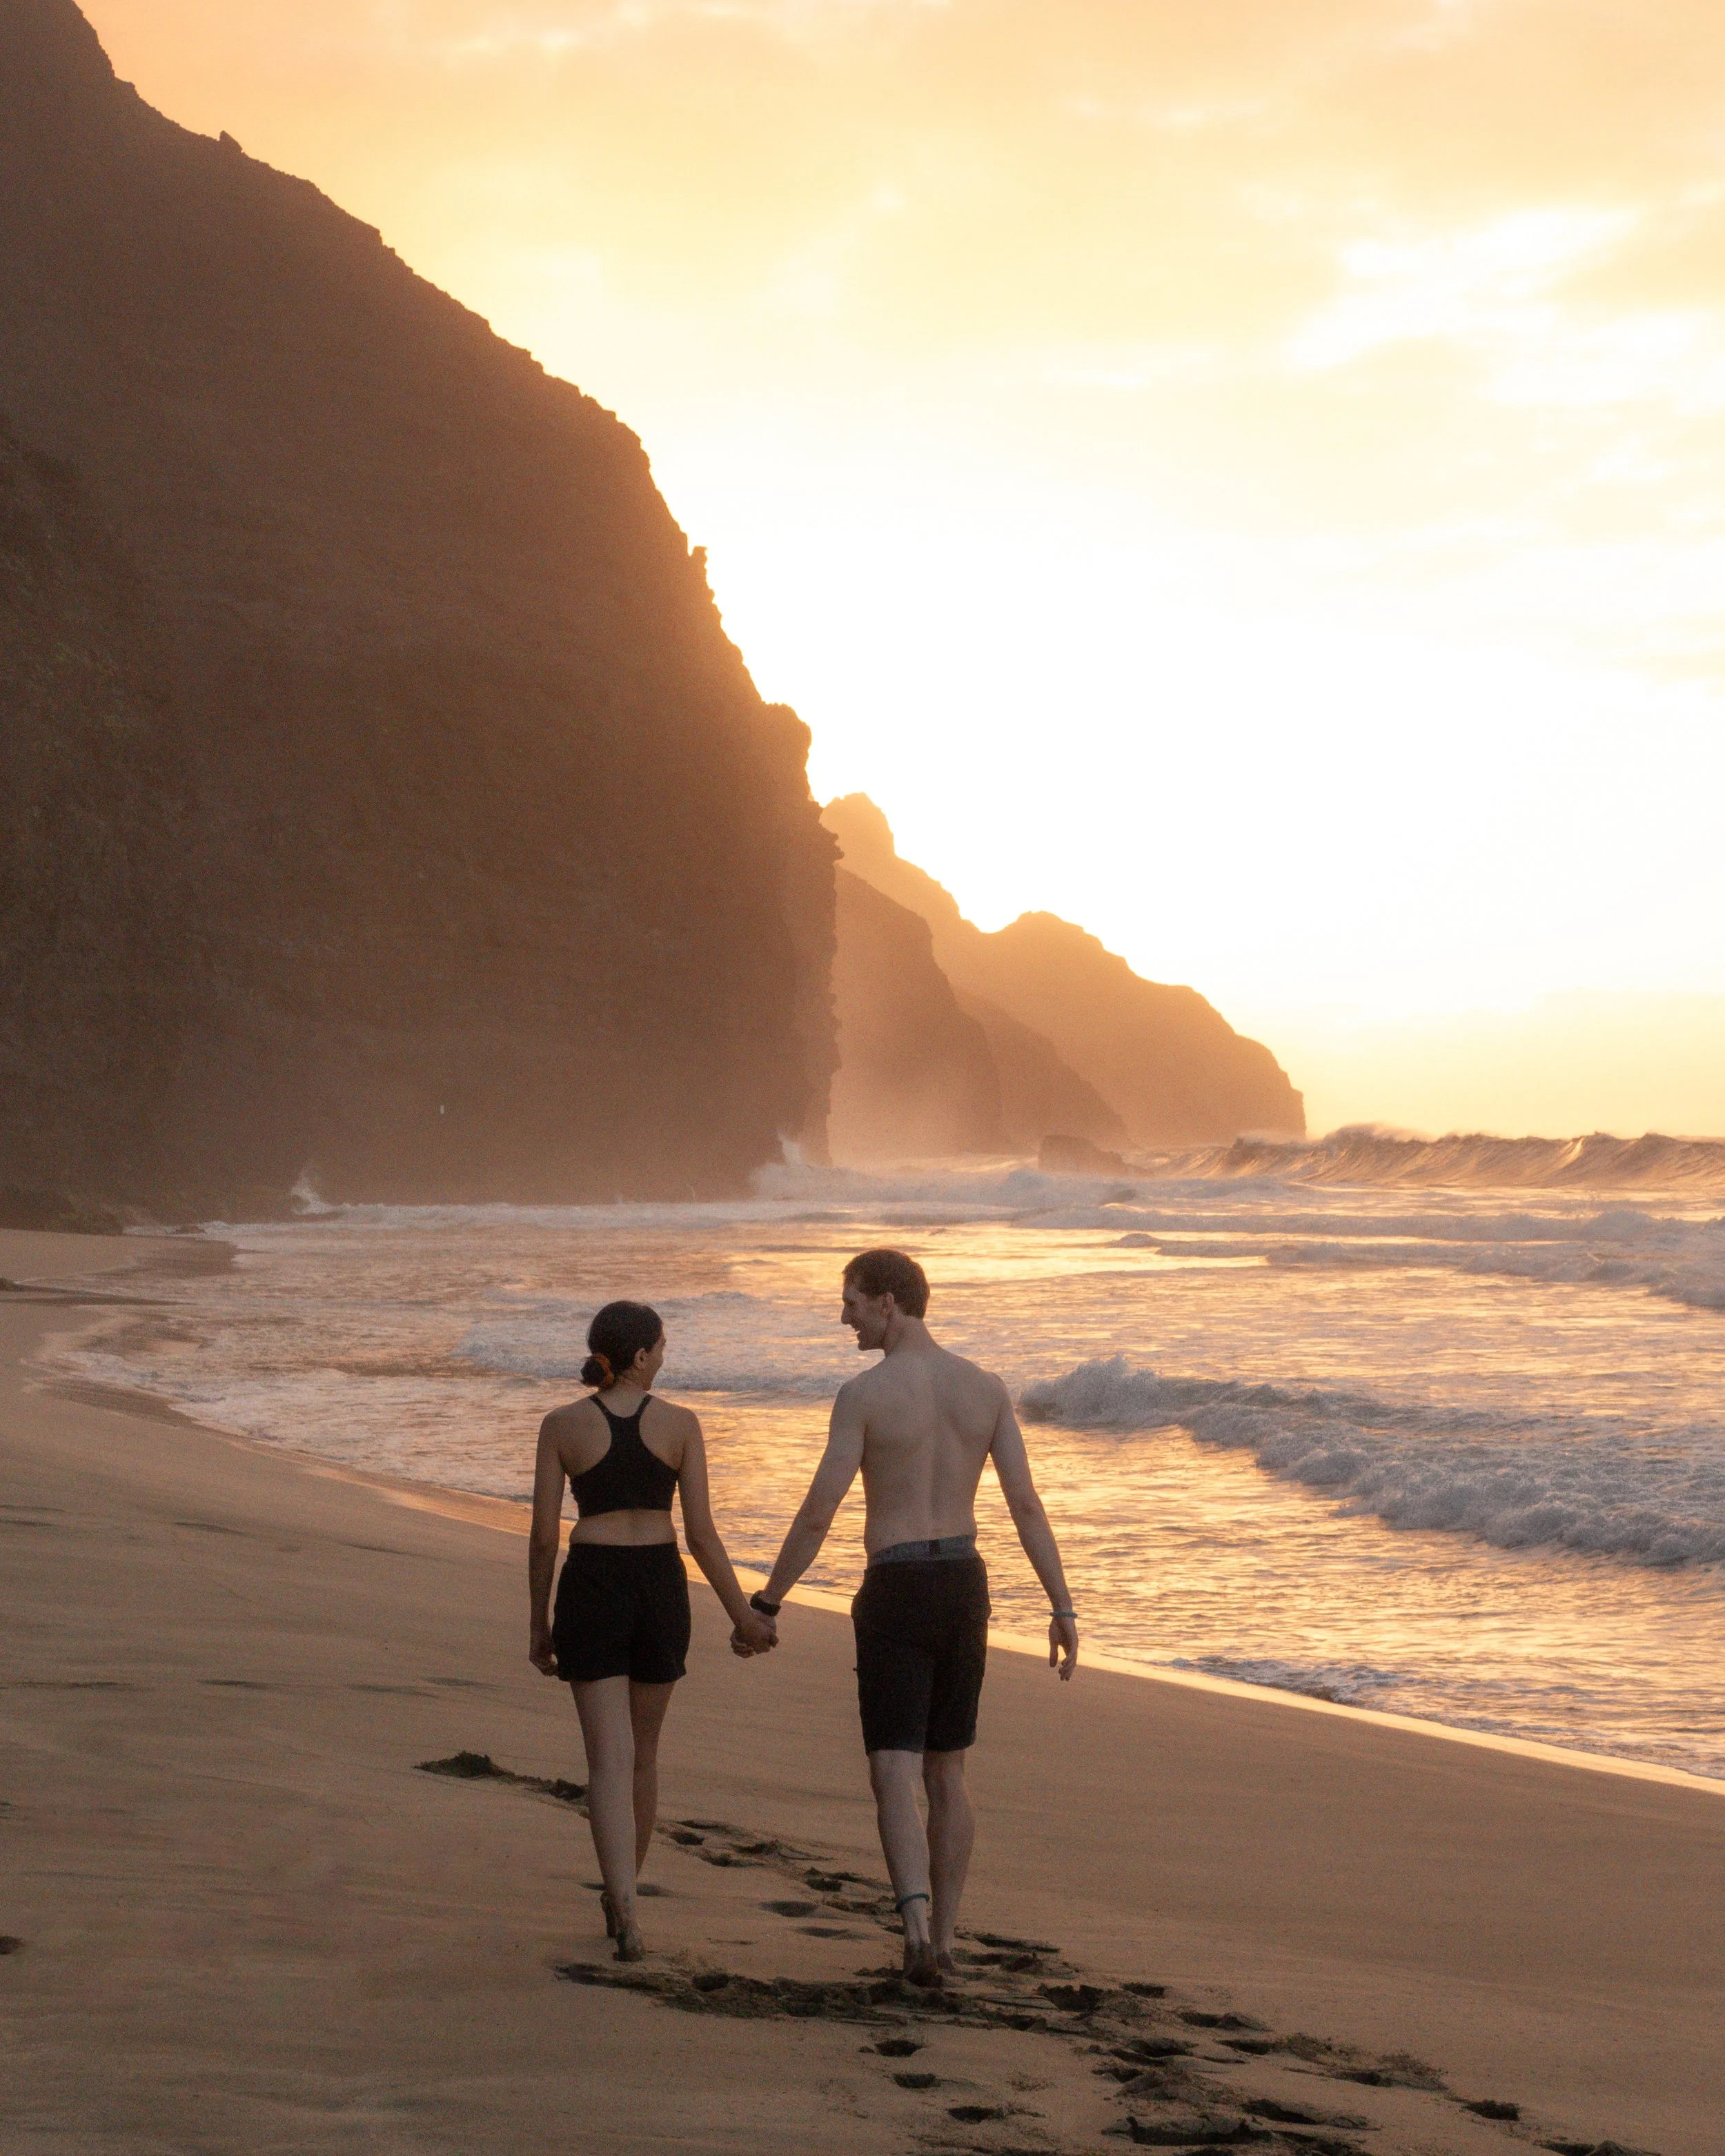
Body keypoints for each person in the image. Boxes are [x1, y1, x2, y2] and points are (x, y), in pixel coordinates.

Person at [741, 1249, 1076, 1987]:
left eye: (852, 1302)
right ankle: (949, 1937)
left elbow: (820, 1508)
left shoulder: (864, 1394)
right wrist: (1060, 1603)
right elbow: (1024, 1503)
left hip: (896, 1583)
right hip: (962, 1580)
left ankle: (918, 1930)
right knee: (948, 1770)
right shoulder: (985, 1388)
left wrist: (767, 1602)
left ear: (889, 1301)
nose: (845, 1316)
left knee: (893, 1768)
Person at [529, 1299, 776, 1961]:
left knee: (606, 1762)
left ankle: (628, 1909)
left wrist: (538, 1622)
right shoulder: (682, 1425)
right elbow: (701, 1535)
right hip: (659, 1589)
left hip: (592, 1586)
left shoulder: (562, 1425)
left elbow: (542, 1540)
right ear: (640, 1357)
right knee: (642, 1755)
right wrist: (742, 1618)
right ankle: (625, 1894)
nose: (665, 1357)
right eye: (661, 1347)